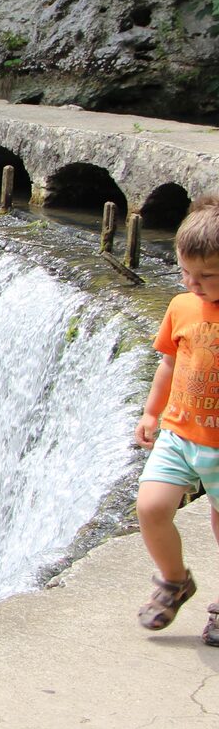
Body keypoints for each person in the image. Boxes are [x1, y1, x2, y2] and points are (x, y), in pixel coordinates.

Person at [136, 196, 219, 645]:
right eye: (187, 272)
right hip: (181, 433)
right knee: (150, 508)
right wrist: (153, 411)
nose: (194, 283)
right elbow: (168, 363)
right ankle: (174, 580)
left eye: (207, 275)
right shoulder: (182, 306)